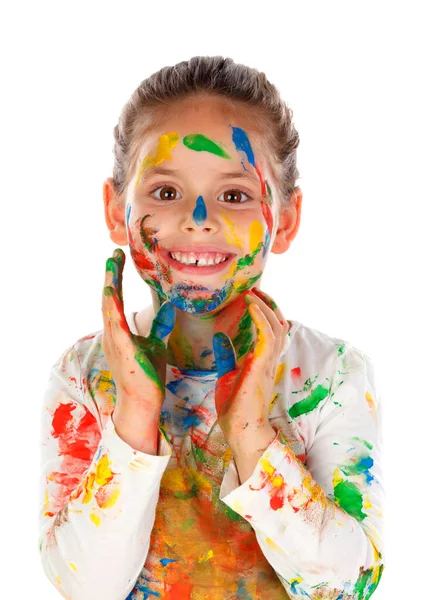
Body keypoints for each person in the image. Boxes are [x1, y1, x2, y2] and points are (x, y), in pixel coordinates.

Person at [38, 56, 384, 600]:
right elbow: (86, 587)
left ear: (286, 218)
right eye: (166, 192)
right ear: (115, 210)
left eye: (235, 195)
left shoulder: (329, 375)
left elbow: (345, 586)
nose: (199, 218)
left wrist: (250, 432)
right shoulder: (84, 375)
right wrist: (135, 416)